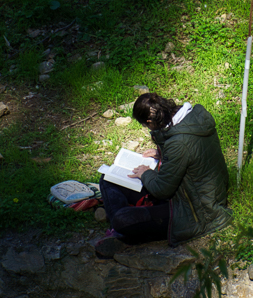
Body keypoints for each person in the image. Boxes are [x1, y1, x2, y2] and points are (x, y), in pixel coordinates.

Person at [93, 93, 232, 258]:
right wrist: (162, 154)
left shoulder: (178, 143)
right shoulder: (192, 120)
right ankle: (129, 221)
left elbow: (162, 189)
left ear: (150, 122)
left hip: (195, 211)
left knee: (122, 219)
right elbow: (191, 155)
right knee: (108, 179)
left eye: (145, 125)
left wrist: (146, 174)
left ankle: (122, 227)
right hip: (191, 194)